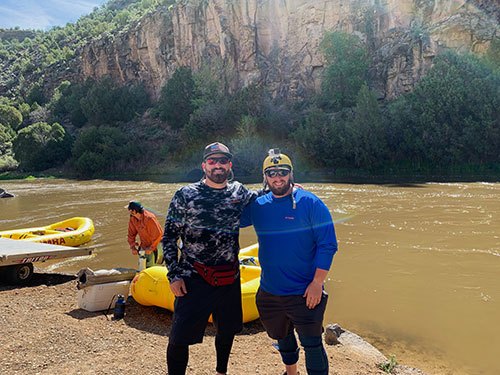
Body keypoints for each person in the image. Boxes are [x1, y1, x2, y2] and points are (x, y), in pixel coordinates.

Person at [162, 142, 258, 375]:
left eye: (222, 161)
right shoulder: (185, 195)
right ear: (204, 165)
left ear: (229, 165)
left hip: (229, 277)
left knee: (226, 331)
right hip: (193, 277)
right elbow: (169, 237)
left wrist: (289, 189)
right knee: (179, 337)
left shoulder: (239, 192)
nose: (218, 165)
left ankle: (221, 372)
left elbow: (266, 199)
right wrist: (174, 275)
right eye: (212, 161)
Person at [240, 149, 338, 375]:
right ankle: (290, 372)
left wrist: (317, 282)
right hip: (270, 291)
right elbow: (229, 214)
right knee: (282, 337)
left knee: (312, 343)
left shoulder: (310, 203)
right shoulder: (259, 205)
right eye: (271, 173)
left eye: (282, 172)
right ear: (265, 176)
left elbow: (328, 244)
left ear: (291, 174)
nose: (277, 177)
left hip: (304, 291)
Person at [127, 201, 163, 268]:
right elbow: (131, 234)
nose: (128, 211)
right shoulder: (133, 218)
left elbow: (158, 234)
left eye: (129, 210)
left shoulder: (149, 218)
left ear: (134, 211)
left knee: (153, 266)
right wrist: (132, 246)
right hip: (144, 245)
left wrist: (151, 248)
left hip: (156, 245)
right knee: (142, 265)